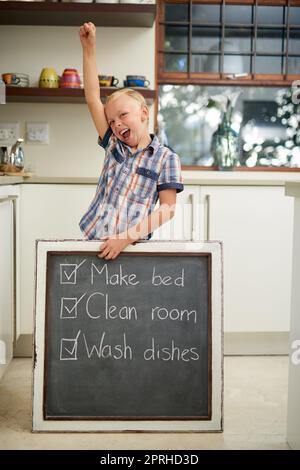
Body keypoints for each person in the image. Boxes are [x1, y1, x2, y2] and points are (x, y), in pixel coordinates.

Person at [78, 22, 184, 260]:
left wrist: (124, 239)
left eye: (123, 115)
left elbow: (167, 209)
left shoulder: (166, 159)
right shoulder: (113, 145)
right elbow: (93, 97)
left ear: (143, 113)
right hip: (92, 241)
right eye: (112, 120)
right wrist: (89, 49)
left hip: (131, 247)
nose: (116, 124)